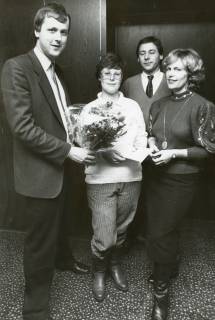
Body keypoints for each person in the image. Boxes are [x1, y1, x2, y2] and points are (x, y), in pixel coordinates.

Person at [1, 3, 96, 320]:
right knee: (39, 245)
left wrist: (81, 136)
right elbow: (22, 127)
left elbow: (61, 118)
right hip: (39, 175)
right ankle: (35, 309)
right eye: (52, 30)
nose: (58, 37)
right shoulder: (17, 67)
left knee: (59, 227)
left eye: (64, 32)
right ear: (37, 30)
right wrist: (69, 151)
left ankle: (64, 259)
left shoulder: (59, 72)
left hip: (60, 170)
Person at [146, 48, 215, 320]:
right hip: (156, 177)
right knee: (159, 229)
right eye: (169, 68)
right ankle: (168, 265)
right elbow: (152, 134)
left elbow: (208, 150)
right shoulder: (158, 105)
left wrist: (173, 153)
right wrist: (152, 145)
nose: (171, 74)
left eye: (178, 69)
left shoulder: (202, 106)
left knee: (162, 231)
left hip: (182, 180)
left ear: (191, 74)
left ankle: (161, 295)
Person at [81, 53, 148, 302]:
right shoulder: (88, 109)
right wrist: (105, 152)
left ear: (122, 77)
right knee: (104, 236)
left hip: (131, 176)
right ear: (99, 77)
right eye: (107, 72)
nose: (112, 76)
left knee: (122, 229)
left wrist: (140, 150)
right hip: (100, 179)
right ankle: (99, 270)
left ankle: (115, 265)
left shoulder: (132, 107)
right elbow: (83, 145)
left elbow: (141, 137)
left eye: (117, 72)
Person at [122, 36, 171, 244]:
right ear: (137, 58)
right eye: (142, 53)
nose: (147, 57)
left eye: (152, 52)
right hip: (135, 149)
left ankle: (157, 236)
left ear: (161, 55)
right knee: (135, 193)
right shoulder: (128, 83)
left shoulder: (172, 79)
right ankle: (135, 234)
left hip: (164, 149)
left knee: (160, 195)